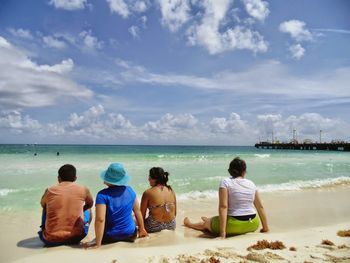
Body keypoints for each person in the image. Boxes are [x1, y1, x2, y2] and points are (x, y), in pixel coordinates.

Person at [184, 157, 269, 238]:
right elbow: (260, 207)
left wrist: (222, 234)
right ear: (244, 171)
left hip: (233, 225)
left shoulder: (226, 182)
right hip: (253, 224)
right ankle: (209, 220)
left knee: (205, 224)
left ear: (230, 171)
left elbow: (223, 207)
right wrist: (265, 228)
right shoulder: (251, 184)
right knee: (212, 220)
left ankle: (190, 224)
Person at [86, 163, 147, 248]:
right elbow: (137, 211)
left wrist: (98, 243)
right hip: (130, 235)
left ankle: (96, 241)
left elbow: (100, 219)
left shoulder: (102, 195)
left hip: (110, 237)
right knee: (131, 216)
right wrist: (142, 229)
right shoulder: (130, 190)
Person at [39, 164, 94, 246]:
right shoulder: (83, 189)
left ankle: (44, 229)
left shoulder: (49, 190)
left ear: (58, 178)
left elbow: (42, 204)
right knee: (88, 208)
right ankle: (83, 229)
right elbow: (90, 204)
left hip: (50, 240)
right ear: (75, 178)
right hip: (76, 238)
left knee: (46, 207)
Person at [141, 167, 177, 233]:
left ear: (155, 179)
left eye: (150, 177)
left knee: (134, 219)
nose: (148, 179)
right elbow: (175, 213)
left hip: (153, 226)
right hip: (171, 225)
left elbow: (141, 215)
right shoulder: (171, 191)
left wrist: (141, 228)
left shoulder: (147, 193)